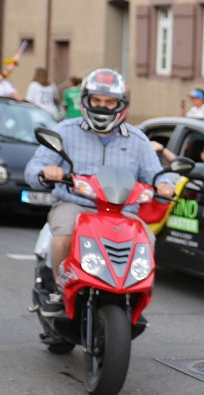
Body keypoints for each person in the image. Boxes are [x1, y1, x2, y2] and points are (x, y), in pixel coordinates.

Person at [25, 68, 173, 315]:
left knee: (147, 240)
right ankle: (59, 289)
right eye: (97, 100)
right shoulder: (65, 131)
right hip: (75, 204)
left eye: (109, 102)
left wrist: (164, 184)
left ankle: (134, 294)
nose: (102, 107)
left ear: (121, 104)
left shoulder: (138, 140)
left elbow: (156, 174)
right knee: (64, 237)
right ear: (86, 100)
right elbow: (33, 168)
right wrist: (46, 172)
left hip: (122, 212)